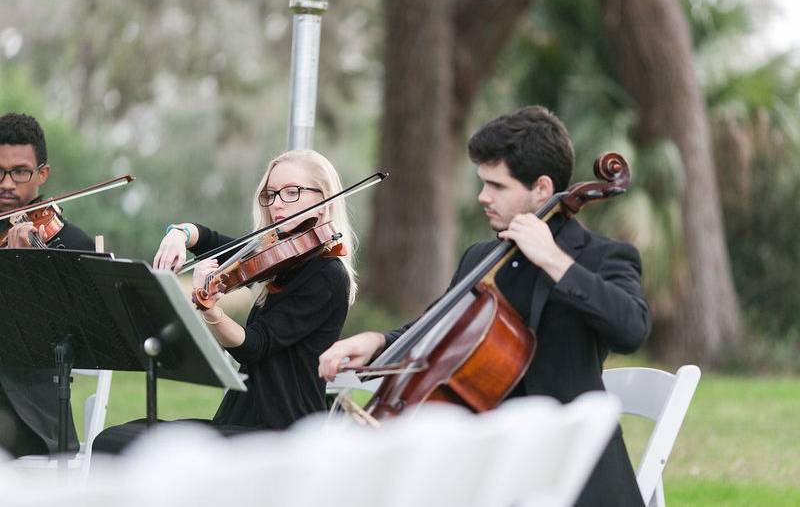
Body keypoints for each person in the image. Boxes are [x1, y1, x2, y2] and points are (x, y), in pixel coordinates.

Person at [318, 106, 651, 507]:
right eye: (482, 183)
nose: (482, 197)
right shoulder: (481, 258)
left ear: (542, 189)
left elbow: (632, 328)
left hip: (572, 469)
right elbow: (436, 329)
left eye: (496, 186)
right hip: (486, 467)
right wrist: (376, 341)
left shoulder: (603, 257)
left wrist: (553, 261)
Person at [92, 149, 357, 453]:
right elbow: (208, 240)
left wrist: (210, 309)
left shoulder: (327, 275)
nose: (278, 204)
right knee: (118, 436)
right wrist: (178, 234)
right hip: (240, 420)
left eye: (291, 192)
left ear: (322, 200)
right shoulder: (277, 256)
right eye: (270, 195)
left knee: (130, 446)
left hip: (281, 432)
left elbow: (255, 346)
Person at [0, 112, 94, 457]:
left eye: (20, 171)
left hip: (33, 413)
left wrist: (20, 268)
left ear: (43, 174)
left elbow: (73, 336)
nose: (7, 183)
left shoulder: (71, 244)